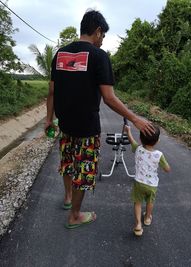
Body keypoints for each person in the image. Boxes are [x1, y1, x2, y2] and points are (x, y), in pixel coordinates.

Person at [45, 9, 154, 229]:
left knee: (68, 163)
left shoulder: (60, 54)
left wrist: (49, 119)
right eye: (103, 36)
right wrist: (134, 118)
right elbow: (109, 98)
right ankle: (75, 215)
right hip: (86, 129)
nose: (102, 41)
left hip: (65, 125)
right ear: (97, 31)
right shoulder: (98, 56)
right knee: (83, 171)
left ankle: (68, 198)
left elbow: (52, 92)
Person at [124, 124, 171, 236]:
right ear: (157, 140)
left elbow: (131, 141)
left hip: (139, 183)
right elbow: (167, 169)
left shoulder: (138, 149)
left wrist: (128, 131)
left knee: (138, 202)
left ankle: (138, 225)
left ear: (141, 139)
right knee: (150, 201)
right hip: (152, 185)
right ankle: (147, 218)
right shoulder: (159, 155)